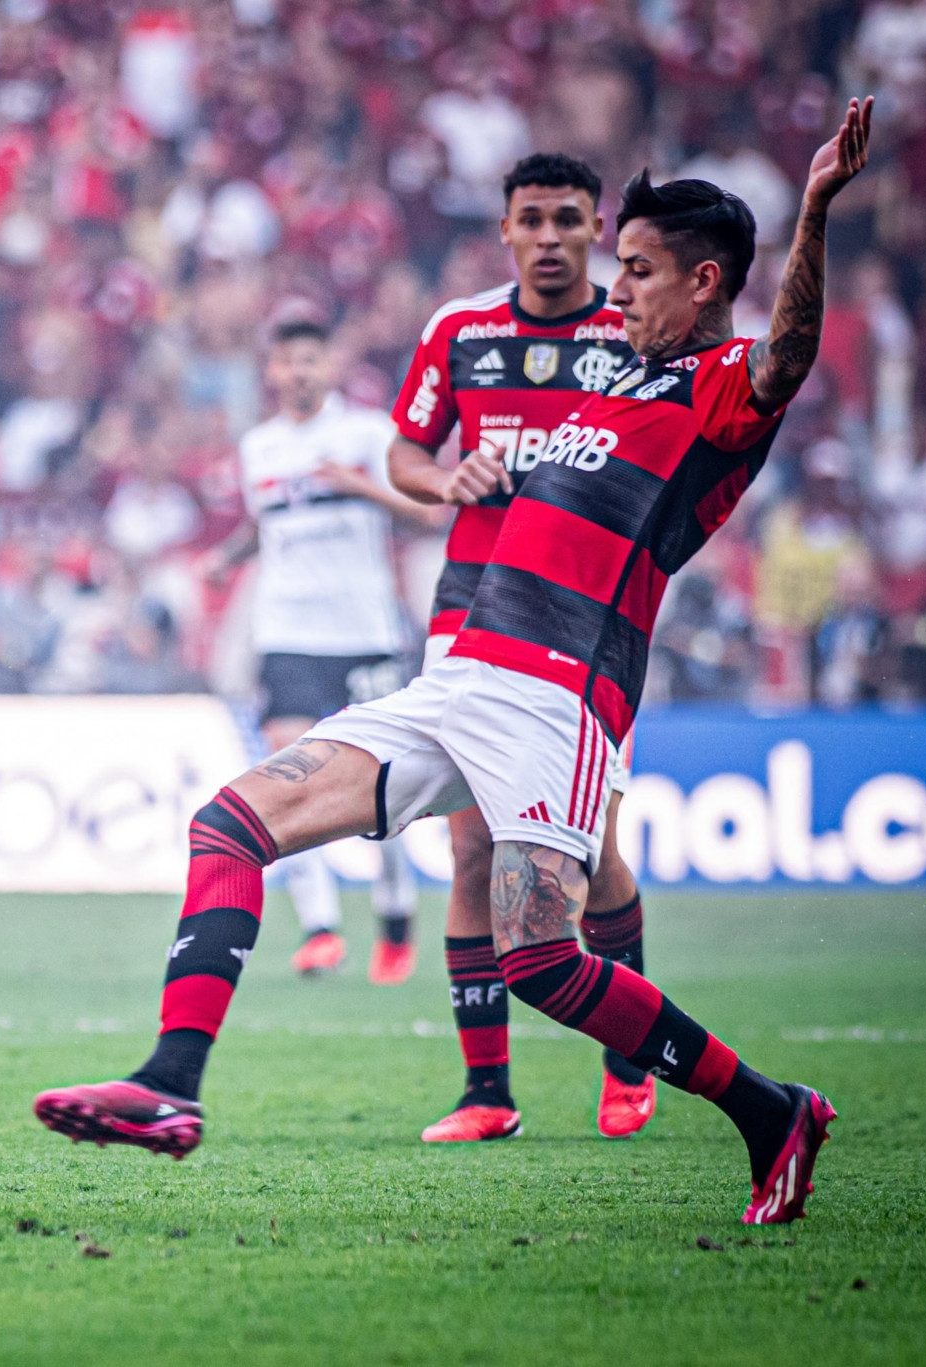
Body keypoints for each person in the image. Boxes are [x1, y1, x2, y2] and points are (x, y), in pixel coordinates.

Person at [33, 100, 874, 1227]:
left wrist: (813, 208)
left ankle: (770, 1110)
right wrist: (441, 475)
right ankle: (167, 1085)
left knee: (539, 958)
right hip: (455, 673)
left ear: (706, 280)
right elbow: (439, 440)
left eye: (632, 270)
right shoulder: (610, 374)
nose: (610, 290)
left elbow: (789, 354)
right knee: (225, 824)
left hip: (558, 695)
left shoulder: (721, 385)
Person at [385, 153, 659, 1144]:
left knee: (588, 849)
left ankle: (627, 1054)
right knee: (466, 845)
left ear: (596, 230)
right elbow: (403, 454)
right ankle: (485, 1091)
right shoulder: (458, 331)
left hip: (584, 612)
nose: (547, 237)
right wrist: (446, 477)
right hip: (467, 605)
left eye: (566, 220)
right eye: (529, 219)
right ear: (503, 230)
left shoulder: (628, 333)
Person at [198, 319, 438, 984]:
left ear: (328, 365)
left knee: (380, 786)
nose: (299, 372)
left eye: (310, 359)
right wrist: (226, 557)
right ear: (271, 372)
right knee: (282, 774)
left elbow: (427, 513)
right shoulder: (258, 447)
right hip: (287, 636)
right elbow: (265, 518)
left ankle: (394, 916)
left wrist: (359, 484)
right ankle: (321, 927)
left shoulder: (366, 434)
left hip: (363, 632)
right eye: (287, 361)